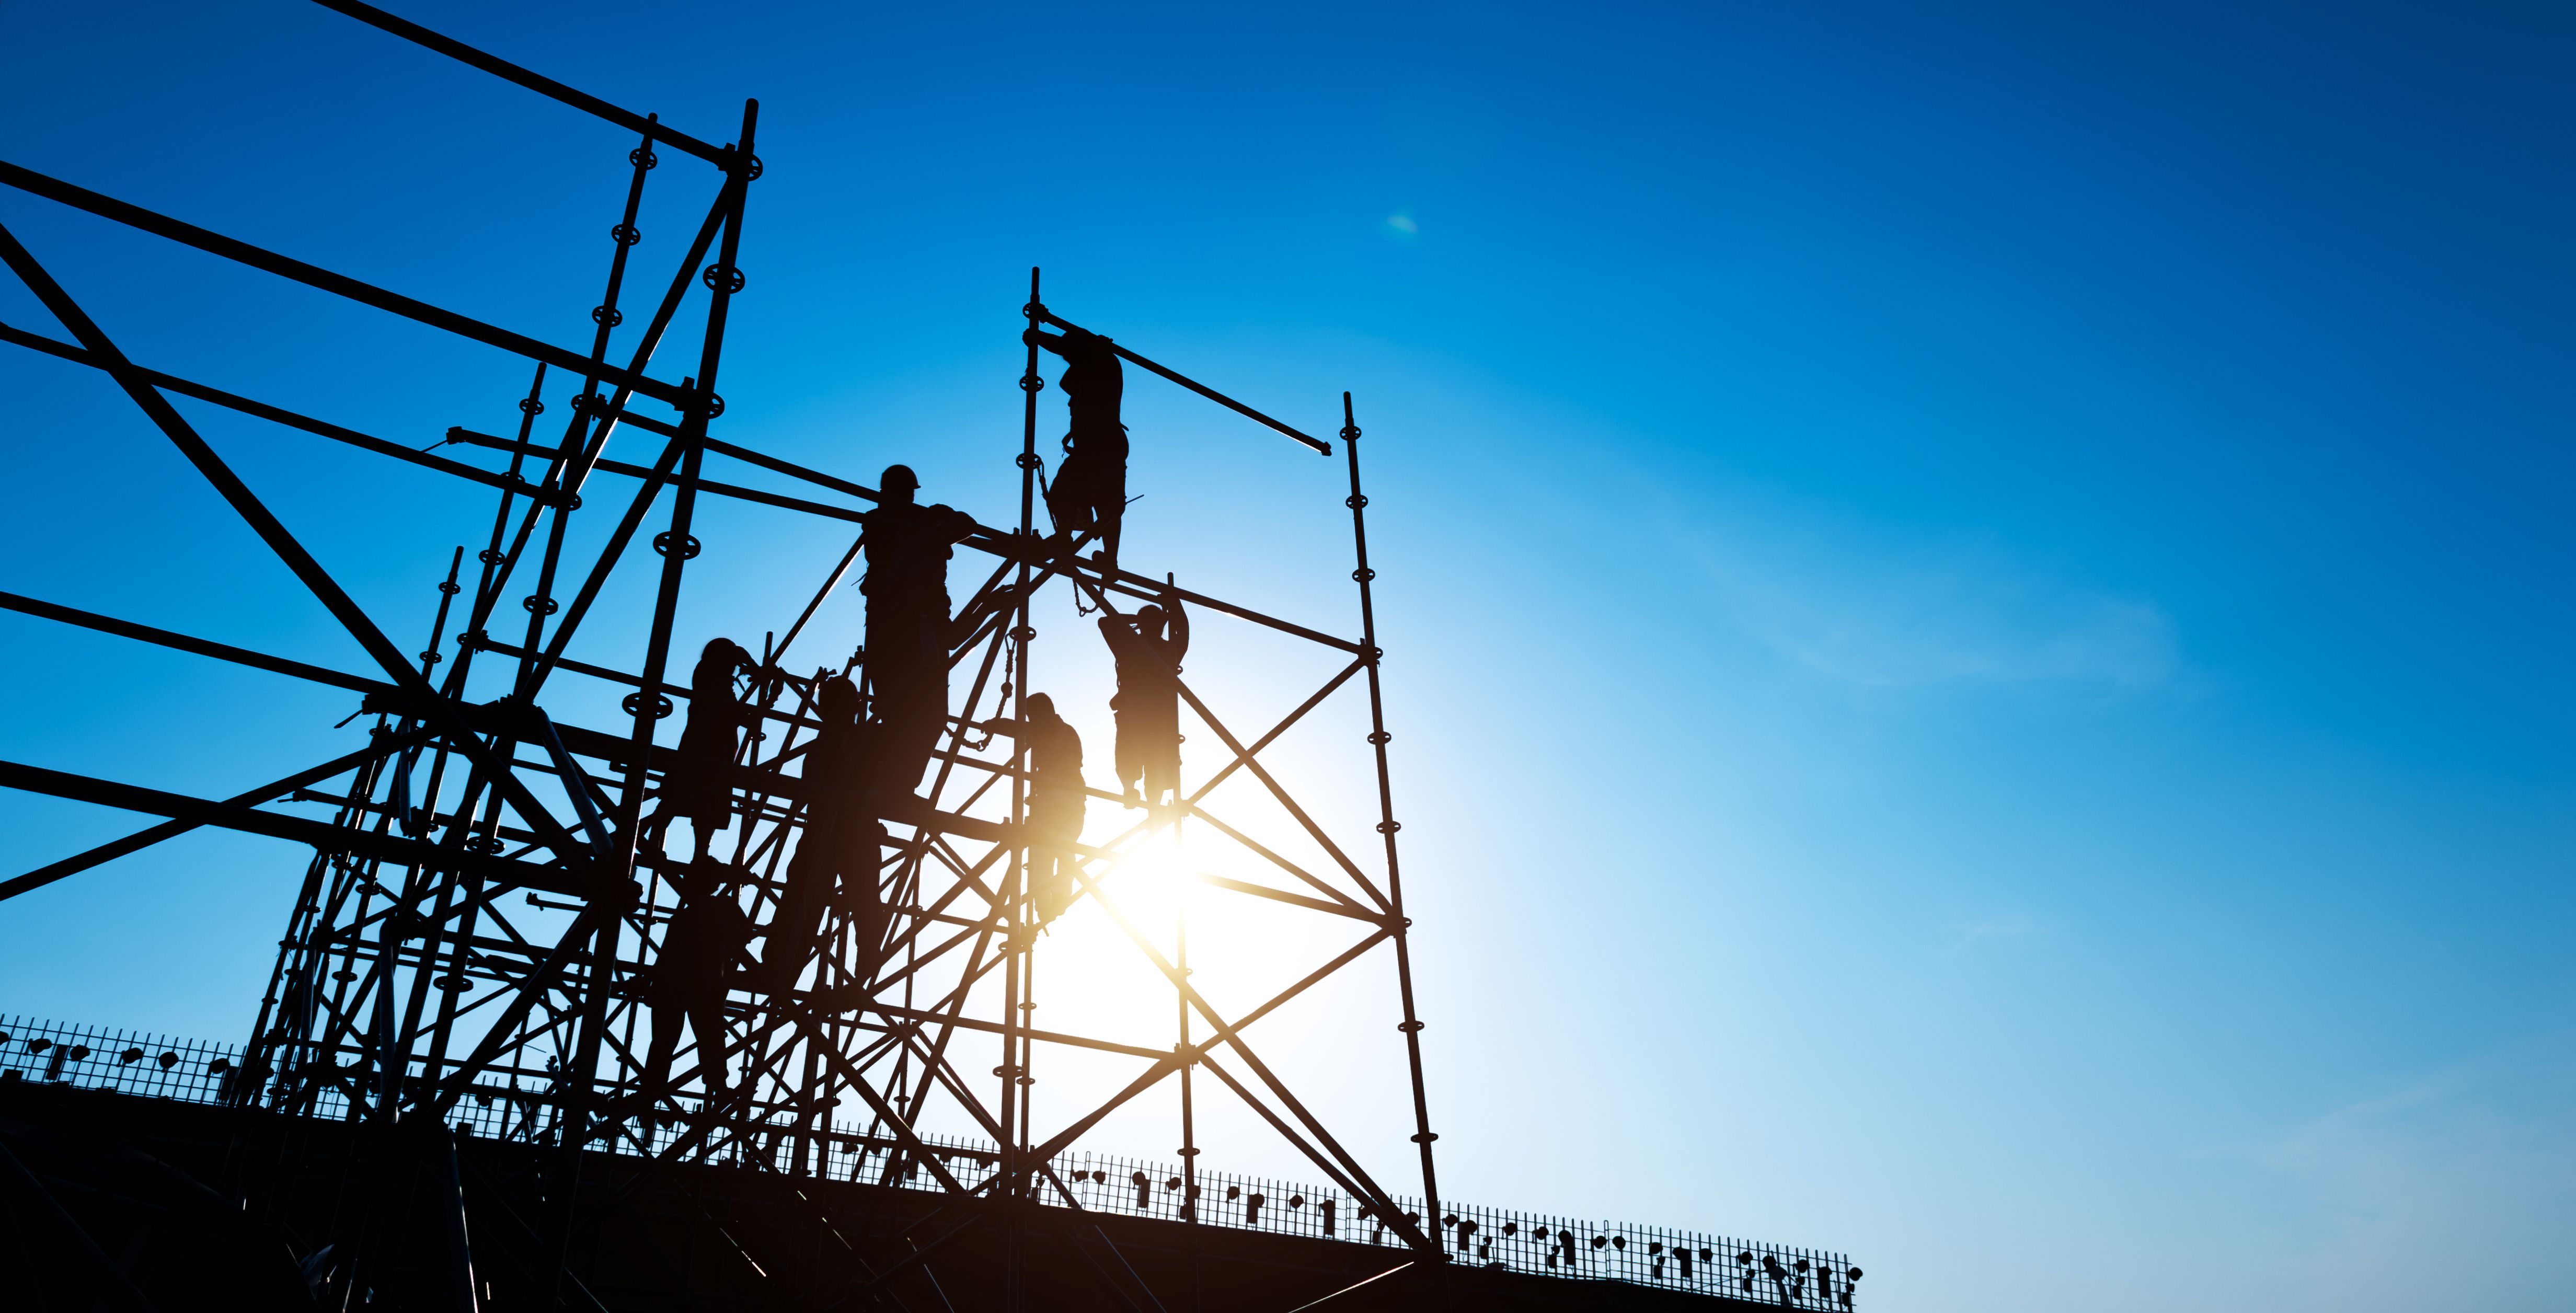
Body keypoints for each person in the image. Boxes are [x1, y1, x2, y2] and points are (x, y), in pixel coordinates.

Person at [858, 465, 979, 796]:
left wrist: (935, 517)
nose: (912, 498)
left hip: (907, 628)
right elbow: (964, 526)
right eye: (909, 493)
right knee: (916, 716)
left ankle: (893, 782)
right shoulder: (893, 525)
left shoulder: (912, 525)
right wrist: (934, 519)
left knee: (915, 717)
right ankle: (891, 782)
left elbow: (967, 525)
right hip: (909, 628)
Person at [764, 675, 887, 990]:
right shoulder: (842, 744)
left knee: (819, 904)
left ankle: (783, 971)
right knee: (813, 904)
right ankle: (782, 971)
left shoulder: (849, 743)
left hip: (842, 836)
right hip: (839, 836)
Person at [642, 856, 751, 1103]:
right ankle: (718, 1087)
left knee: (665, 1042)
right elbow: (745, 936)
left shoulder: (682, 918)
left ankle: (650, 1093)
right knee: (710, 1037)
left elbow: (665, 955)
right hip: (704, 983)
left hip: (674, 984)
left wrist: (652, 986)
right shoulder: (724, 908)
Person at [1027, 323, 1128, 574]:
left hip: (1102, 443)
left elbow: (1065, 348)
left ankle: (1107, 558)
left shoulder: (1101, 361)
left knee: (1105, 502)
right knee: (1070, 492)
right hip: (1095, 444)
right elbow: (1068, 380)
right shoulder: (1090, 365)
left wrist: (1036, 336)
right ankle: (1071, 541)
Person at [645, 638, 755, 862]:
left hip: (718, 753)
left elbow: (738, 715)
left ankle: (699, 854)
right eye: (732, 664)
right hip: (703, 750)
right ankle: (653, 841)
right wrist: (755, 669)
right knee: (678, 795)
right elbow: (734, 713)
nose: (734, 669)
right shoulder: (709, 675)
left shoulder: (721, 684)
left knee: (707, 805)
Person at [1098, 590, 1189, 810]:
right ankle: (1152, 805)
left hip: (1135, 713)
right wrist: (1174, 608)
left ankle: (1130, 790)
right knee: (1155, 763)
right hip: (1159, 717)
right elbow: (1184, 631)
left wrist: (1136, 621)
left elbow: (1105, 622)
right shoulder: (1169, 650)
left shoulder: (1129, 646)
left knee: (1129, 753)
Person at [1020, 693, 1087, 926]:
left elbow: (1028, 733)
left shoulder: (1054, 730)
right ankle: (1053, 903)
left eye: (1031, 716)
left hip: (1059, 797)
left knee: (1046, 850)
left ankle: (1051, 903)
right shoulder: (1061, 730)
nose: (1030, 721)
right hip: (1068, 798)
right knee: (1060, 849)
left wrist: (997, 725)